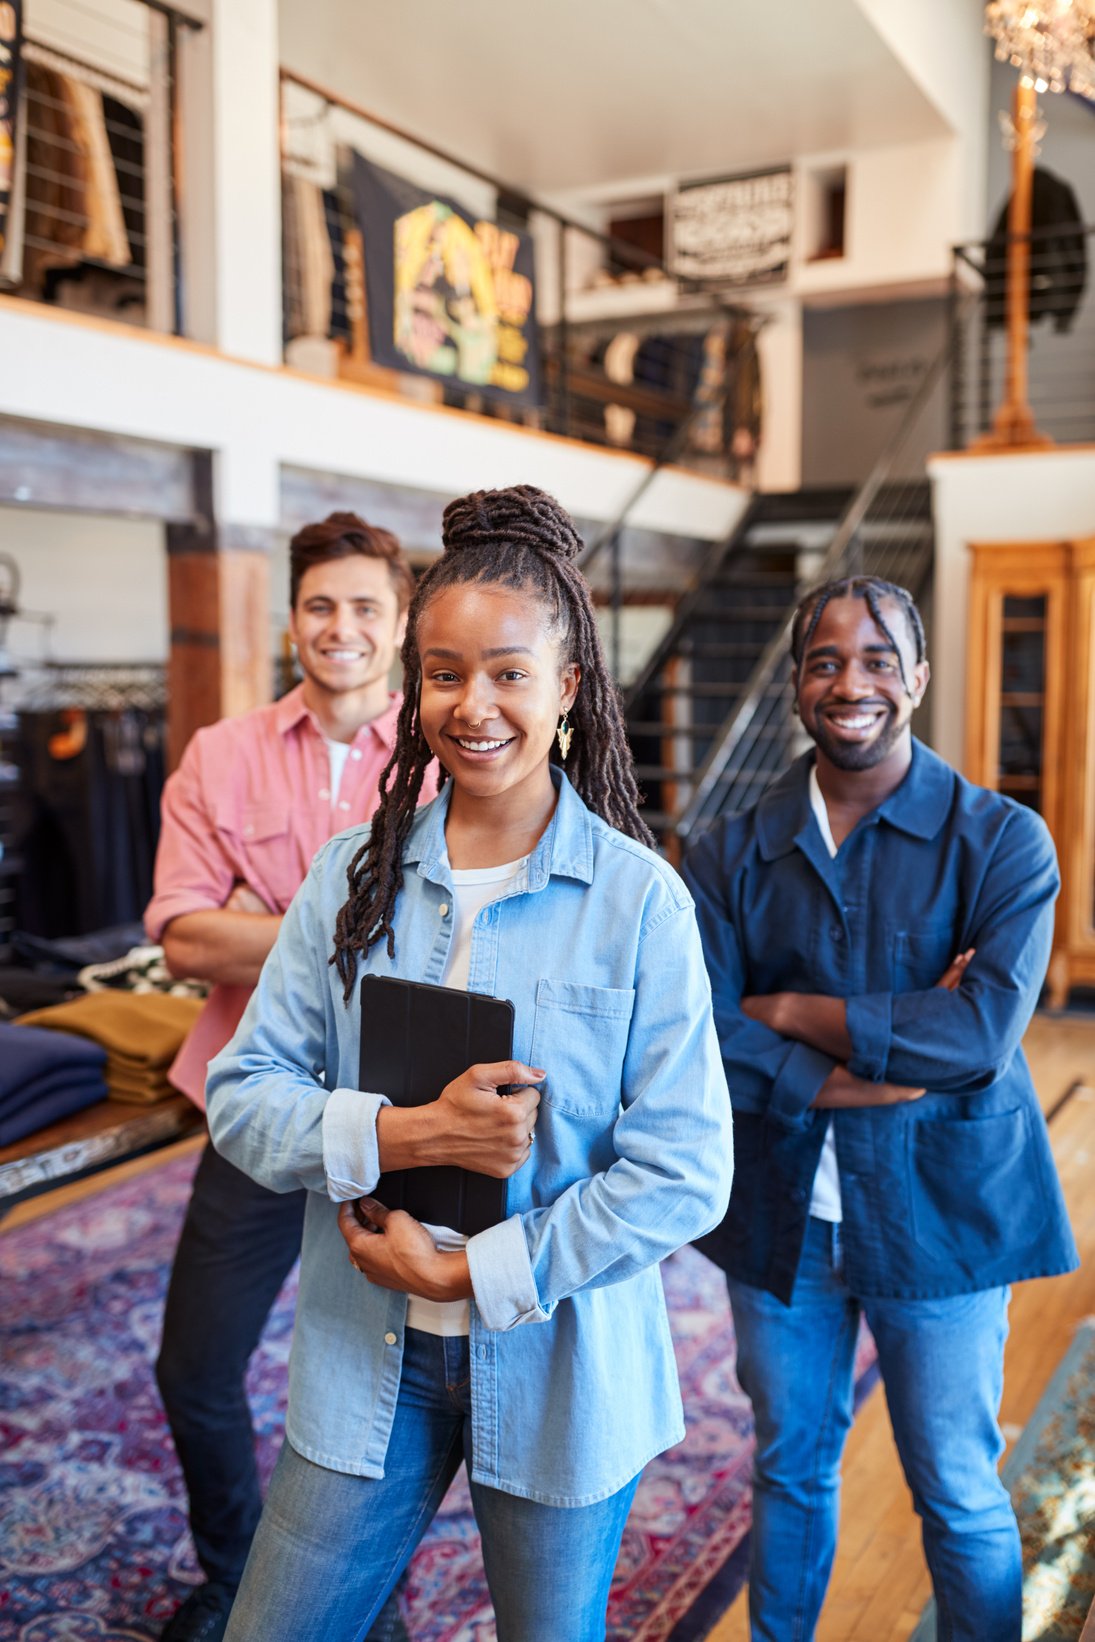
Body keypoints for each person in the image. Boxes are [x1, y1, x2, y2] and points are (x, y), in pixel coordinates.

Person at [204, 483, 734, 1642]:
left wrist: (475, 1272)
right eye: (444, 673)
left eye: (508, 673)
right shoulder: (351, 879)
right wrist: (409, 1136)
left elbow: (687, 1168)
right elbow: (241, 1097)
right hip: (364, 1357)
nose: (473, 704)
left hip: (561, 1372)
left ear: (569, 692)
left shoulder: (640, 901)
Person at [682, 575, 1078, 1642]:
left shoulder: (1003, 841)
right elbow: (705, 1038)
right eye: (825, 660)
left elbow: (978, 1038)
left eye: (877, 659)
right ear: (797, 684)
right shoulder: (726, 852)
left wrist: (793, 1008)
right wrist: (857, 1060)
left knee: (954, 1480)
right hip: (782, 1214)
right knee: (790, 1466)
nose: (850, 681)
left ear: (920, 678)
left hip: (944, 1211)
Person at [145, 512, 433, 1642]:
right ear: (293, 618)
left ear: (400, 623)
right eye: (322, 605)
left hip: (400, 1119)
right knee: (195, 1369)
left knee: (389, 1392)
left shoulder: (447, 740)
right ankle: (231, 1571)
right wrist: (346, 925)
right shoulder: (221, 753)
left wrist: (266, 922)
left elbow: (443, 934)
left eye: (367, 607)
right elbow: (180, 934)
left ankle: (373, 1604)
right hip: (257, 1102)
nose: (342, 628)